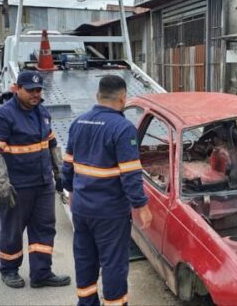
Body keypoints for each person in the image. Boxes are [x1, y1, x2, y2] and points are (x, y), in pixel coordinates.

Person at [62, 75, 152, 306]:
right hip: (110, 212)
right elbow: (131, 174)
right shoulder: (123, 128)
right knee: (113, 262)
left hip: (81, 208)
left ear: (97, 96)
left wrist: (71, 192)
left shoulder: (78, 123)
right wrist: (141, 206)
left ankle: (86, 302)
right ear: (123, 98)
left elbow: (68, 164)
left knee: (85, 259)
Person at [0, 70, 70, 289]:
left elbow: (51, 145)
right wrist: (1, 184)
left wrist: (59, 173)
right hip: (17, 186)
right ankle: (9, 269)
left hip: (43, 184)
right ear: (17, 88)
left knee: (44, 228)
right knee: (13, 231)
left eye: (38, 90)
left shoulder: (42, 112)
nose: (35, 94)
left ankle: (41, 273)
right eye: (30, 90)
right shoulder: (2, 115)